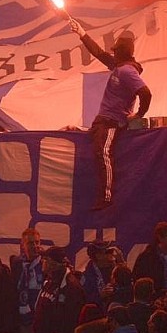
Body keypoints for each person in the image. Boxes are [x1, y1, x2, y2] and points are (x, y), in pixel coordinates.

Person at [69, 19, 152, 209]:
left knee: (103, 153)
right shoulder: (119, 67)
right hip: (103, 121)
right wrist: (82, 33)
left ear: (121, 52)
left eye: (115, 50)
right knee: (97, 151)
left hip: (112, 122)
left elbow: (146, 93)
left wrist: (139, 114)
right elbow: (99, 53)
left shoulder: (127, 71)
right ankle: (101, 196)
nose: (112, 53)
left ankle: (105, 197)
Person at [33, 246, 86, 333]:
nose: (42, 262)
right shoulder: (49, 281)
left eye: (45, 260)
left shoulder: (71, 286)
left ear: (53, 263)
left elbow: (71, 318)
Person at [10, 227, 44, 333]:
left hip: (42, 317)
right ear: (22, 245)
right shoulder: (17, 263)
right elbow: (13, 290)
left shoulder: (46, 262)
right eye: (31, 243)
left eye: (37, 242)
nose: (35, 246)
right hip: (24, 318)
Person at [81, 240, 119, 312]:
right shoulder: (88, 276)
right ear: (98, 256)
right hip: (97, 315)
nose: (112, 255)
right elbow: (83, 299)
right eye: (108, 252)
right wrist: (100, 295)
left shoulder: (116, 270)